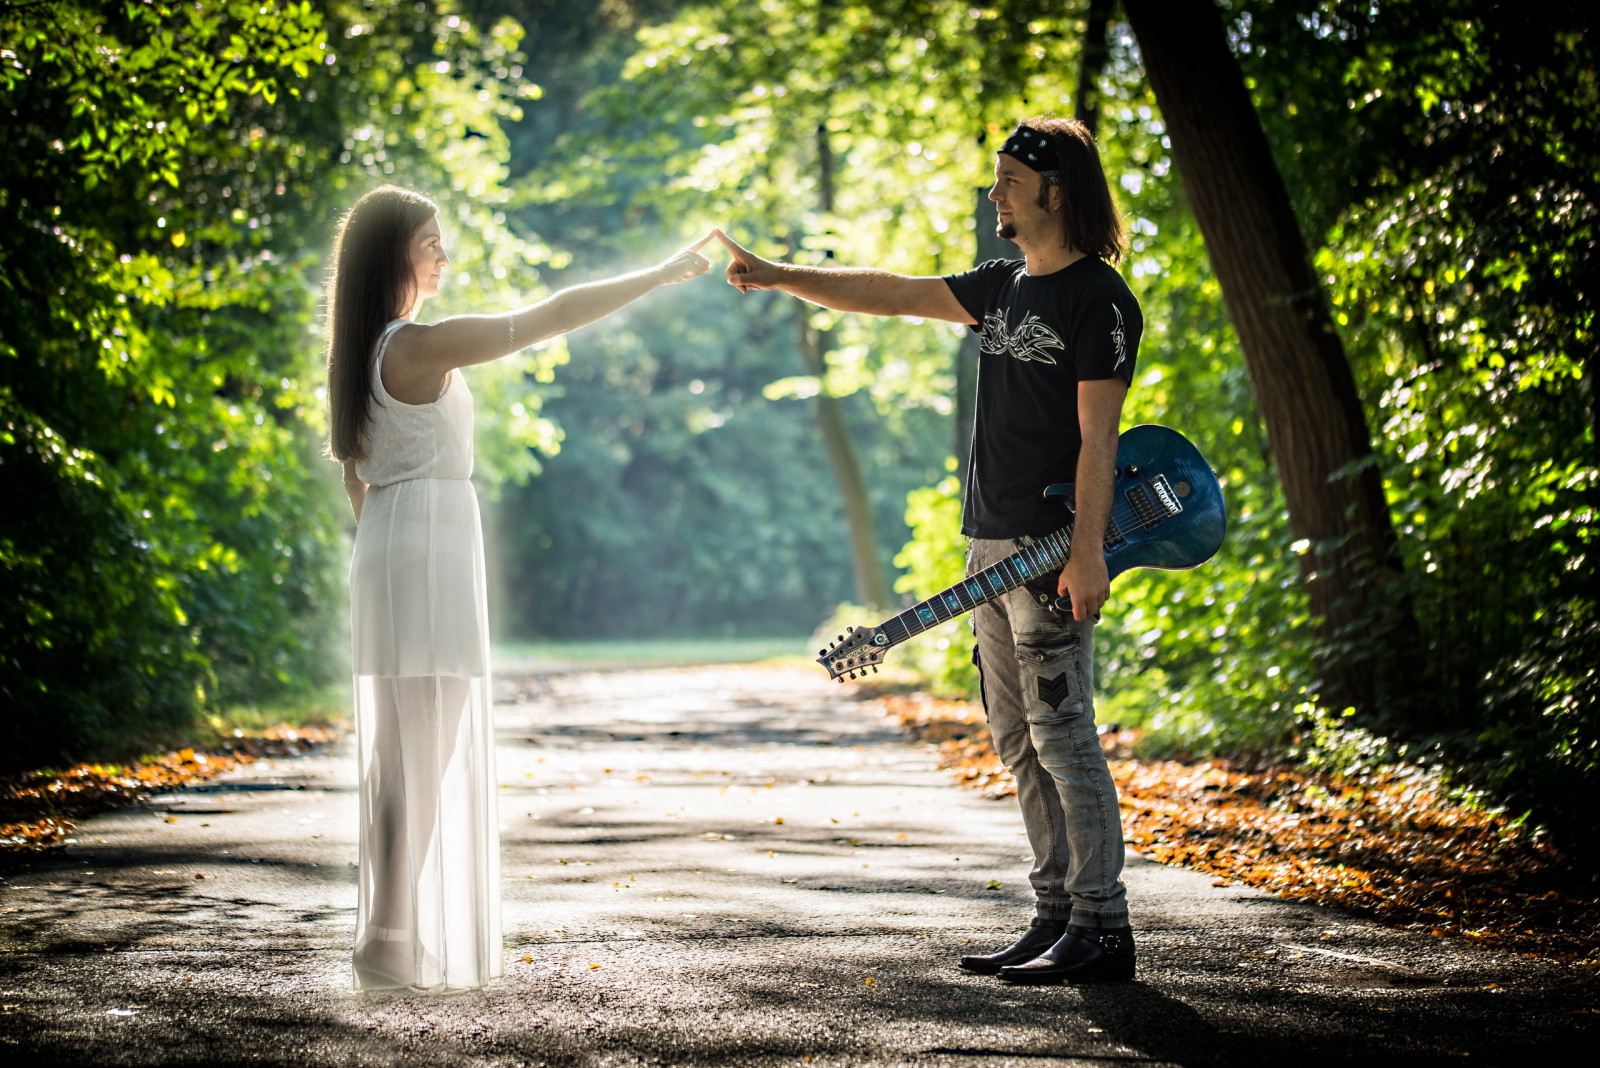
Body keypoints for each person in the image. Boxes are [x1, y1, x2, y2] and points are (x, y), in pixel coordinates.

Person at [715, 116, 1142, 984]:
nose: (995, 195)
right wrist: (776, 275)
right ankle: (1056, 913)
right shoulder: (1001, 285)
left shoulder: (1100, 300)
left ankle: (1104, 928)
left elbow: (1101, 439)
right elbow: (887, 291)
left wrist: (1088, 551)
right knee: (1018, 741)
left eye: (1009, 183)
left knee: (1066, 738)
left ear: (1054, 193)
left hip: (1053, 550)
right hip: (989, 547)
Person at [325, 185, 713, 993]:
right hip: (426, 550)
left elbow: (358, 482)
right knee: (424, 757)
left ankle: (386, 933)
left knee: (401, 759)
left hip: (393, 545)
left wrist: (390, 546)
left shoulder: (362, 352)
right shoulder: (415, 345)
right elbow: (549, 316)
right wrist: (656, 273)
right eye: (431, 242)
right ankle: (389, 938)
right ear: (394, 252)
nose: (443, 255)